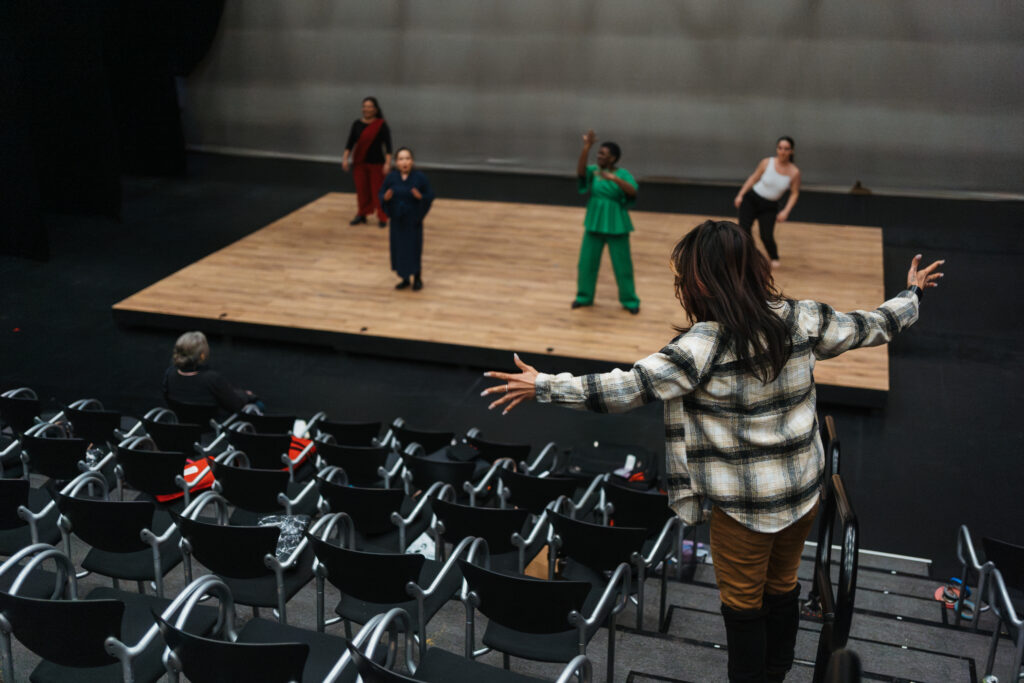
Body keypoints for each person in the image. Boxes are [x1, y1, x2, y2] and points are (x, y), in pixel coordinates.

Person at [482, 220, 944, 682]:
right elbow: (871, 326)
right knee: (782, 586)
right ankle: (777, 672)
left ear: (701, 281)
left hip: (743, 512)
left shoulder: (702, 345)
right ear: (753, 268)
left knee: (743, 605)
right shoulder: (801, 317)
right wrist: (912, 295)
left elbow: (625, 388)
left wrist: (544, 386)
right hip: (803, 494)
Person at [573, 129, 640, 314]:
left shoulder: (623, 174)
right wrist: (587, 147)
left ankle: (630, 300)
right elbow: (580, 172)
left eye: (603, 154)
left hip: (616, 222)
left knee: (622, 265)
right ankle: (583, 297)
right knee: (586, 263)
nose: (599, 156)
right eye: (599, 153)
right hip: (594, 221)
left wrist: (614, 179)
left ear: (613, 158)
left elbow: (632, 191)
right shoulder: (594, 171)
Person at [734, 136, 801, 268]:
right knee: (744, 230)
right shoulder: (767, 162)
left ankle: (774, 256)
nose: (782, 151)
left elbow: (794, 193)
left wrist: (786, 211)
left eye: (786, 149)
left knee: (766, 235)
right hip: (752, 199)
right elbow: (753, 178)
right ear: (777, 149)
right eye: (780, 148)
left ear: (791, 151)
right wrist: (740, 195)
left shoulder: (794, 172)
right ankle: (749, 256)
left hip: (770, 206)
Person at [162, 331, 257, 416]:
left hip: (182, 427)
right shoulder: (211, 379)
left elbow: (168, 398)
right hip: (208, 431)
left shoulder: (170, 373)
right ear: (202, 356)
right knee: (258, 405)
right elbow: (235, 405)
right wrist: (247, 395)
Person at [379, 147, 435, 291]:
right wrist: (385, 198)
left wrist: (421, 197)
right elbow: (381, 193)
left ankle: (417, 278)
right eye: (401, 159)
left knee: (414, 249)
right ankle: (404, 278)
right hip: (398, 220)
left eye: (407, 158)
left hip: (413, 220)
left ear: (412, 161)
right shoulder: (391, 177)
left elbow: (430, 195)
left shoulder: (420, 177)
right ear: (396, 162)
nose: (405, 162)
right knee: (400, 249)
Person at [342, 96, 393, 228]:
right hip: (359, 163)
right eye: (364, 106)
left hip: (377, 164)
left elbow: (388, 146)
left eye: (370, 106)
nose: (366, 109)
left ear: (375, 109)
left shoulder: (381, 125)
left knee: (378, 191)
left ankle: (382, 216)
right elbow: (350, 143)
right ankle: (362, 214)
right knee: (362, 191)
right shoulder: (356, 124)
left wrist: (388, 163)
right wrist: (345, 159)